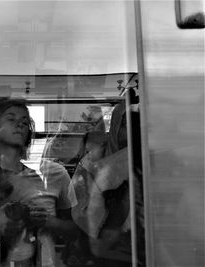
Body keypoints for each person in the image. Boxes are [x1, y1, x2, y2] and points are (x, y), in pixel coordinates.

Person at [0, 97, 77, 267]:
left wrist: (48, 221)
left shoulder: (55, 174)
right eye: (11, 119)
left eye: (25, 122)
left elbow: (75, 230)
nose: (20, 124)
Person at [64, 100, 145, 267]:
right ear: (114, 127)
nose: (130, 132)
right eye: (124, 124)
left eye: (136, 125)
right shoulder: (93, 163)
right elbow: (81, 213)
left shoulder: (150, 165)